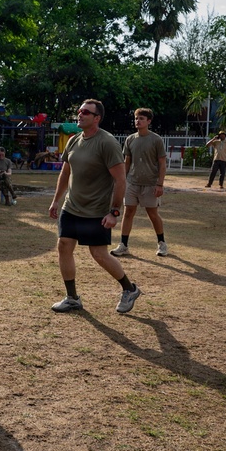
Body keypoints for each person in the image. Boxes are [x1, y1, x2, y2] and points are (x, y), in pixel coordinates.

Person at [48, 99, 142, 314]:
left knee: (99, 254)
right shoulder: (73, 141)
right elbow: (65, 173)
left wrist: (115, 211)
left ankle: (130, 289)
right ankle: (72, 298)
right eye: (79, 111)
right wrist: (56, 200)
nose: (80, 115)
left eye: (85, 112)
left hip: (96, 210)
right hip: (71, 207)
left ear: (97, 118)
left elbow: (120, 180)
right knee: (63, 246)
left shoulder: (107, 143)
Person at [111, 108, 168, 257]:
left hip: (150, 183)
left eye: (141, 118)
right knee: (128, 212)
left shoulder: (156, 140)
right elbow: (127, 162)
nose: (138, 121)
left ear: (149, 121)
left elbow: (162, 163)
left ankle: (162, 243)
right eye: (136, 118)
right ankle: (123, 245)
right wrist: (122, 181)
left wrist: (160, 184)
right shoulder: (130, 139)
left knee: (152, 214)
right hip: (132, 182)